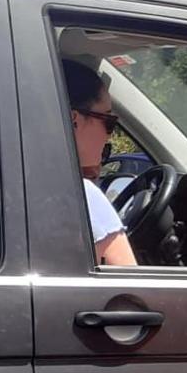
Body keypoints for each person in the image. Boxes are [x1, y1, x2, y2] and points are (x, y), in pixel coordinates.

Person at [62, 60, 137, 266]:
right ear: (72, 120)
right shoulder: (81, 197)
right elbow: (130, 292)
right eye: (108, 122)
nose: (109, 137)